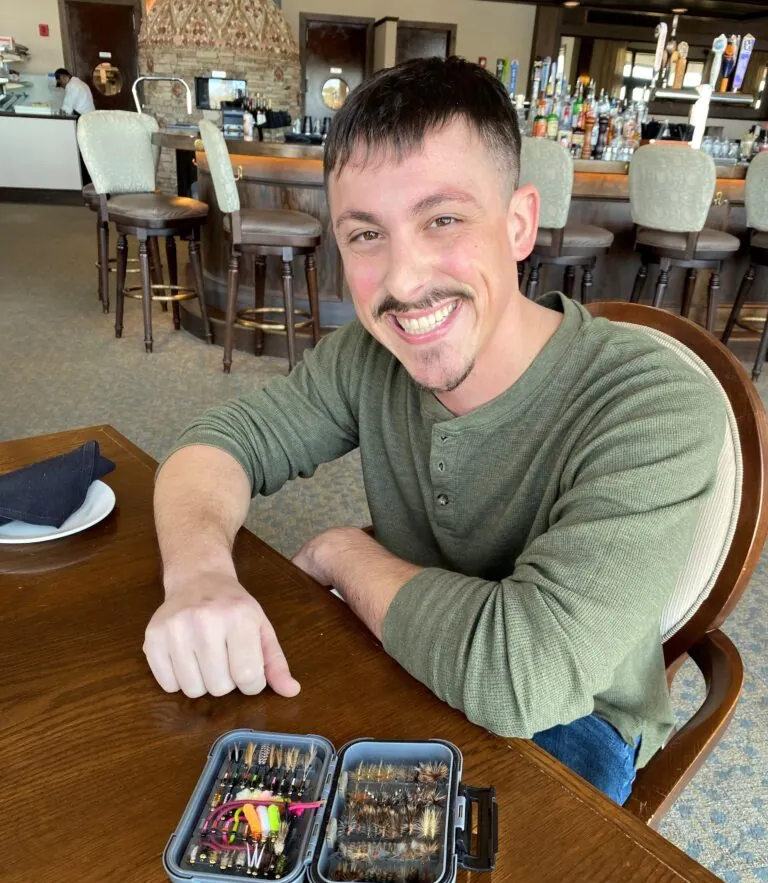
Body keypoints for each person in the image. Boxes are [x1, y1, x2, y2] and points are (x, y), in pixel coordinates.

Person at [143, 57, 725, 805]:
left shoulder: (654, 403)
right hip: (401, 655)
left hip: (573, 719)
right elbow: (218, 442)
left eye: (443, 219)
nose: (404, 281)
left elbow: (527, 679)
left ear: (518, 223)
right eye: (365, 235)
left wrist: (347, 552)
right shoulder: (366, 356)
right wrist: (196, 574)